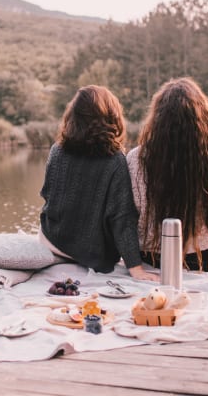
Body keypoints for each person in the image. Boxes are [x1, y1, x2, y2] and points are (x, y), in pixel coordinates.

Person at [39, 85, 158, 281]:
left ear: (73, 116)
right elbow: (122, 220)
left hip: (52, 241)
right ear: (112, 118)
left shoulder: (56, 150)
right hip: (93, 255)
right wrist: (136, 269)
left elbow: (46, 195)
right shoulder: (115, 161)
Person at [126, 77, 208, 272]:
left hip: (154, 258)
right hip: (207, 259)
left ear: (156, 120)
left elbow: (132, 214)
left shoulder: (136, 157)